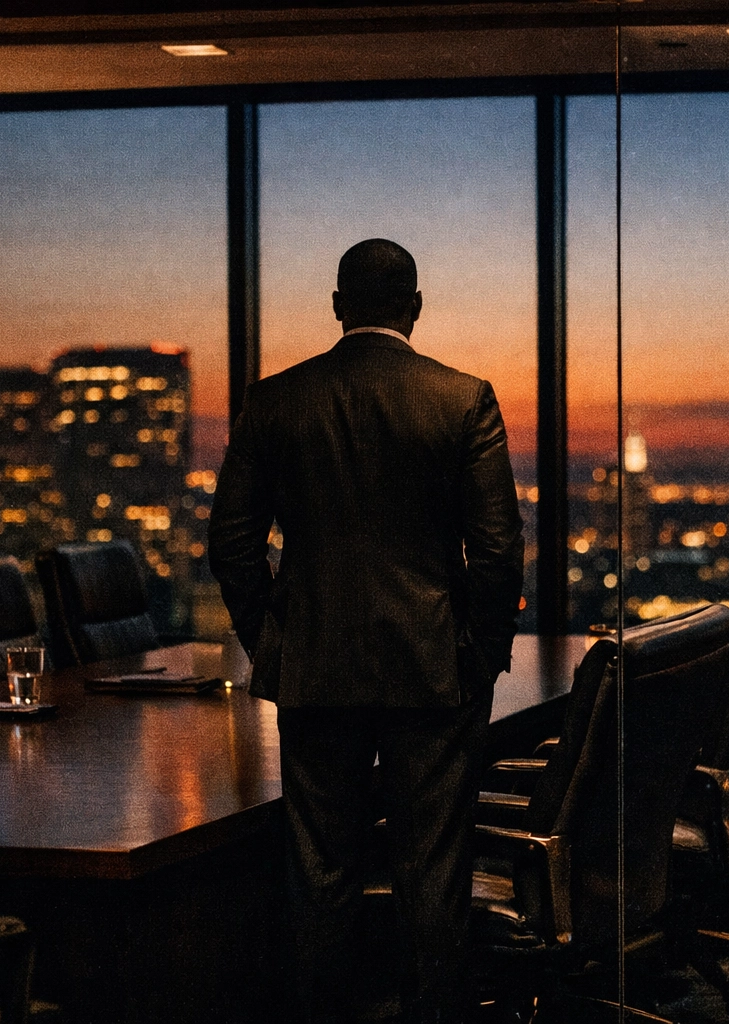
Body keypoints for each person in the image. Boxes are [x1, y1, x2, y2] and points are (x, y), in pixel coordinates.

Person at [209, 238, 524, 1024]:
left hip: (316, 666)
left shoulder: (275, 401)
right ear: (414, 308)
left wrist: (272, 639)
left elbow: (232, 543)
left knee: (320, 866)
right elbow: (496, 550)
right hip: (431, 666)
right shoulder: (463, 399)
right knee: (434, 867)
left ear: (339, 307)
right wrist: (478, 658)